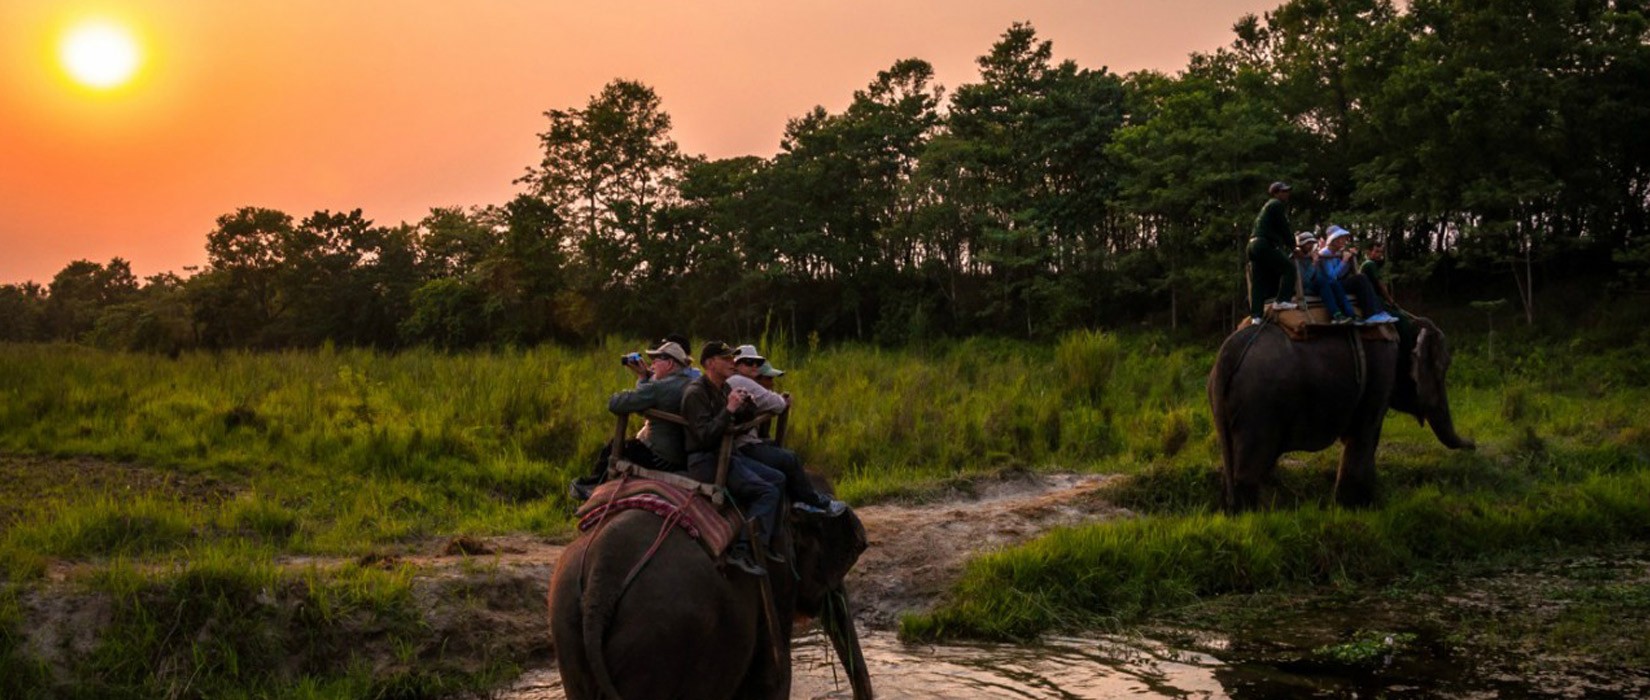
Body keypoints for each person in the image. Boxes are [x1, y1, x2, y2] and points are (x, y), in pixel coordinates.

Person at [681, 341, 787, 576]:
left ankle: (767, 543)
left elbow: (737, 422)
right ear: (710, 363)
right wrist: (729, 409)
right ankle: (742, 549)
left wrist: (746, 406)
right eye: (726, 359)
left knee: (779, 479)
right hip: (706, 461)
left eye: (732, 358)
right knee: (767, 491)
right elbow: (704, 438)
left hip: (728, 455)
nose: (732, 363)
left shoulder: (723, 388)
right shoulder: (695, 393)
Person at [728, 345, 847, 517]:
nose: (754, 366)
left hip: (741, 442)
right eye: (748, 362)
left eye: (757, 362)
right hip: (743, 445)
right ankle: (815, 502)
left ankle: (800, 499)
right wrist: (782, 400)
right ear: (736, 365)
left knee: (777, 452)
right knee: (789, 459)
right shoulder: (740, 381)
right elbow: (776, 403)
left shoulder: (734, 381)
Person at [1247, 181, 1300, 324]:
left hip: (1252, 245)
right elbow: (1284, 228)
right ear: (1276, 193)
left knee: (1258, 281)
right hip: (1263, 244)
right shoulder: (1276, 205)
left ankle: (1256, 316)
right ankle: (1282, 299)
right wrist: (1293, 247)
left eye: (1287, 191)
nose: (1287, 194)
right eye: (1283, 191)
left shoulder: (1266, 209)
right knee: (1288, 268)